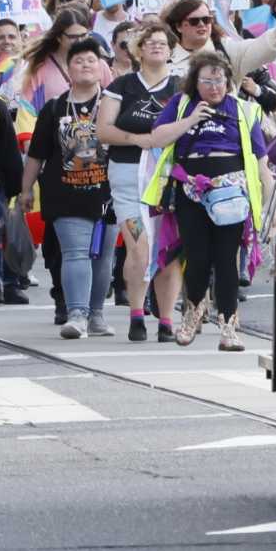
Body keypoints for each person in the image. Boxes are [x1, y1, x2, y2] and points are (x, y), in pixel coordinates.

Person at [133, 51, 267, 349]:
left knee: (226, 259)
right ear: (196, 82)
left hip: (231, 192)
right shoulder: (181, 106)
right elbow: (157, 138)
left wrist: (271, 205)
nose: (215, 87)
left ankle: (229, 325)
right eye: (208, 81)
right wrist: (193, 118)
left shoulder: (243, 110)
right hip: (190, 190)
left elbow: (261, 160)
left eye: (220, 80)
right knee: (196, 257)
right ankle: (193, 311)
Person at [23, 36, 116, 340]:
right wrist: (26, 190)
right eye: (78, 60)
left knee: (102, 256)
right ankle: (77, 314)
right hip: (65, 193)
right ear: (68, 68)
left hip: (108, 194)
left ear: (101, 67)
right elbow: (36, 154)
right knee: (75, 253)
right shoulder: (54, 108)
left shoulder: (114, 104)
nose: (85, 65)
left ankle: (97, 314)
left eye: (92, 60)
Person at [97, 22, 179, 342]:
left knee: (169, 250)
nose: (157, 46)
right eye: (150, 42)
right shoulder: (122, 86)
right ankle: (135, 313)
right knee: (140, 246)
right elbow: (104, 130)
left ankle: (168, 320)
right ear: (138, 50)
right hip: (128, 175)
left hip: (168, 180)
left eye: (163, 42)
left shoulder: (181, 87)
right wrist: (140, 139)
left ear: (171, 51)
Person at [163, 0, 276, 78]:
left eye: (206, 19)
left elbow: (263, 47)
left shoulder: (226, 49)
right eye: (194, 21)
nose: (202, 24)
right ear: (178, 26)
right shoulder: (162, 56)